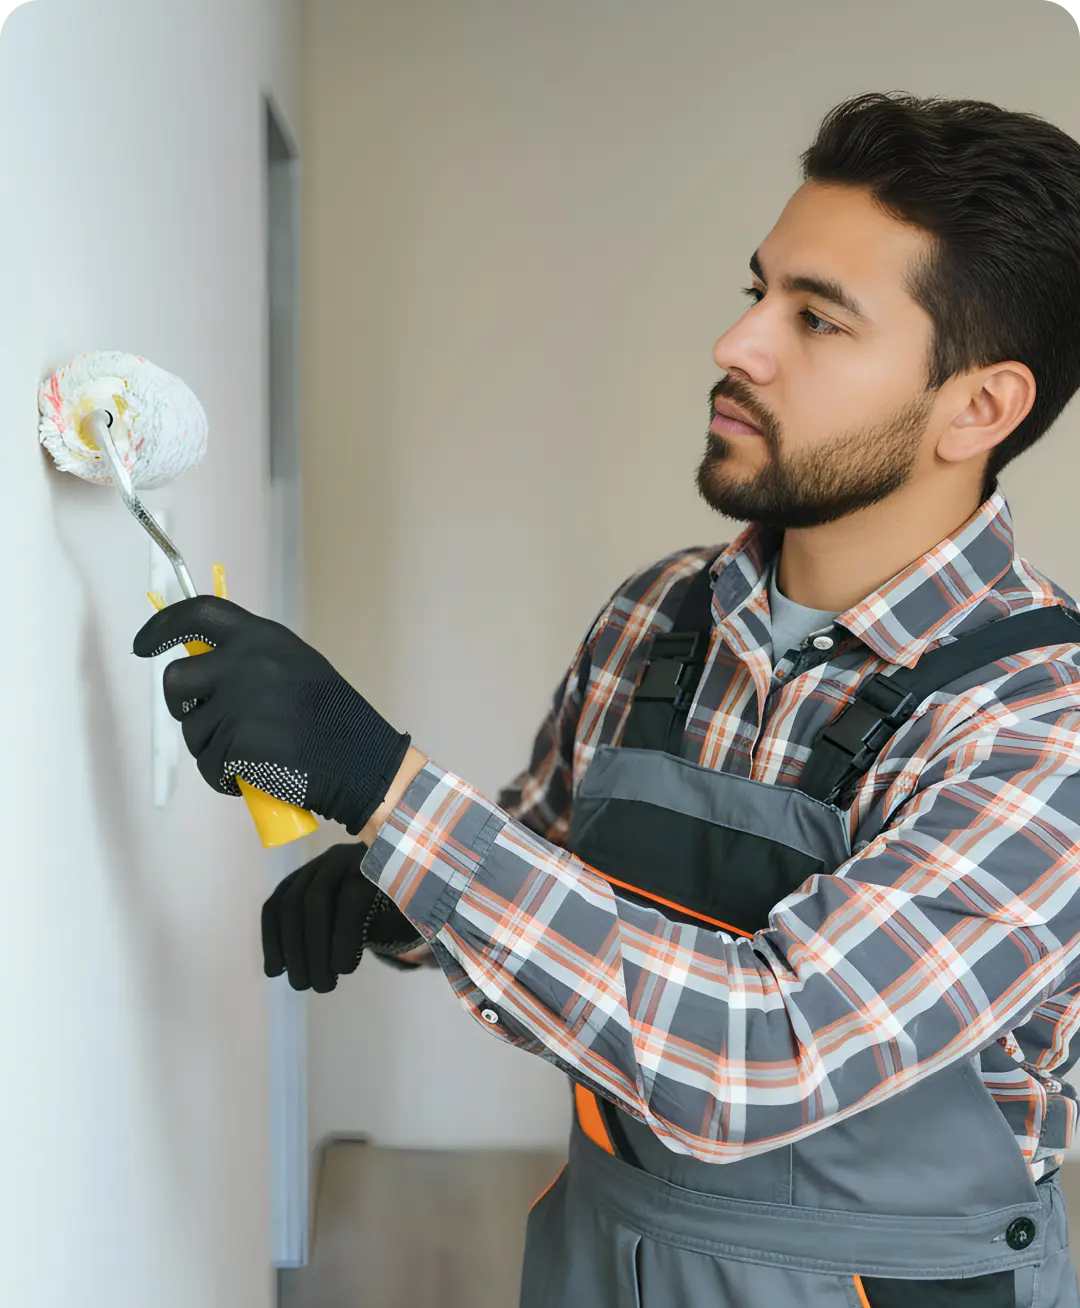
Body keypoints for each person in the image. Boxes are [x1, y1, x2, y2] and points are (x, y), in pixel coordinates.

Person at [134, 91, 1080, 1307]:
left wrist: (384, 790)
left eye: (818, 319)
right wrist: (399, 898)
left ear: (980, 408)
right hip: (602, 1252)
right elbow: (551, 861)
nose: (738, 346)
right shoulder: (659, 613)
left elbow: (759, 1054)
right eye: (758, 291)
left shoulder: (1040, 725)